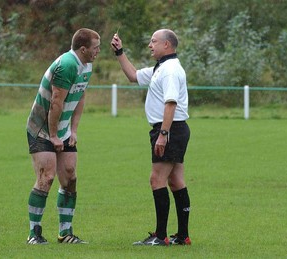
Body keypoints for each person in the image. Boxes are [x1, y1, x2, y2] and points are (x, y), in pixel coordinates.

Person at [111, 29, 191, 246]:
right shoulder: (161, 67)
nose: (150, 45)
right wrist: (120, 52)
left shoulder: (171, 70)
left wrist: (163, 134)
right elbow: (134, 76)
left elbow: (171, 103)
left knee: (157, 180)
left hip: (170, 129)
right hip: (174, 129)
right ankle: (182, 236)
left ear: (167, 45)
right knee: (175, 181)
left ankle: (160, 235)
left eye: (153, 41)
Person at [25, 28, 100, 244]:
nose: (98, 52)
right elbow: (56, 101)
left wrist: (73, 131)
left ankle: (65, 233)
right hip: (41, 128)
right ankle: (34, 233)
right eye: (95, 48)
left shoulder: (86, 66)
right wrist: (54, 135)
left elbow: (80, 96)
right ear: (83, 49)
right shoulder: (67, 65)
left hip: (63, 129)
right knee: (46, 178)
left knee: (70, 177)